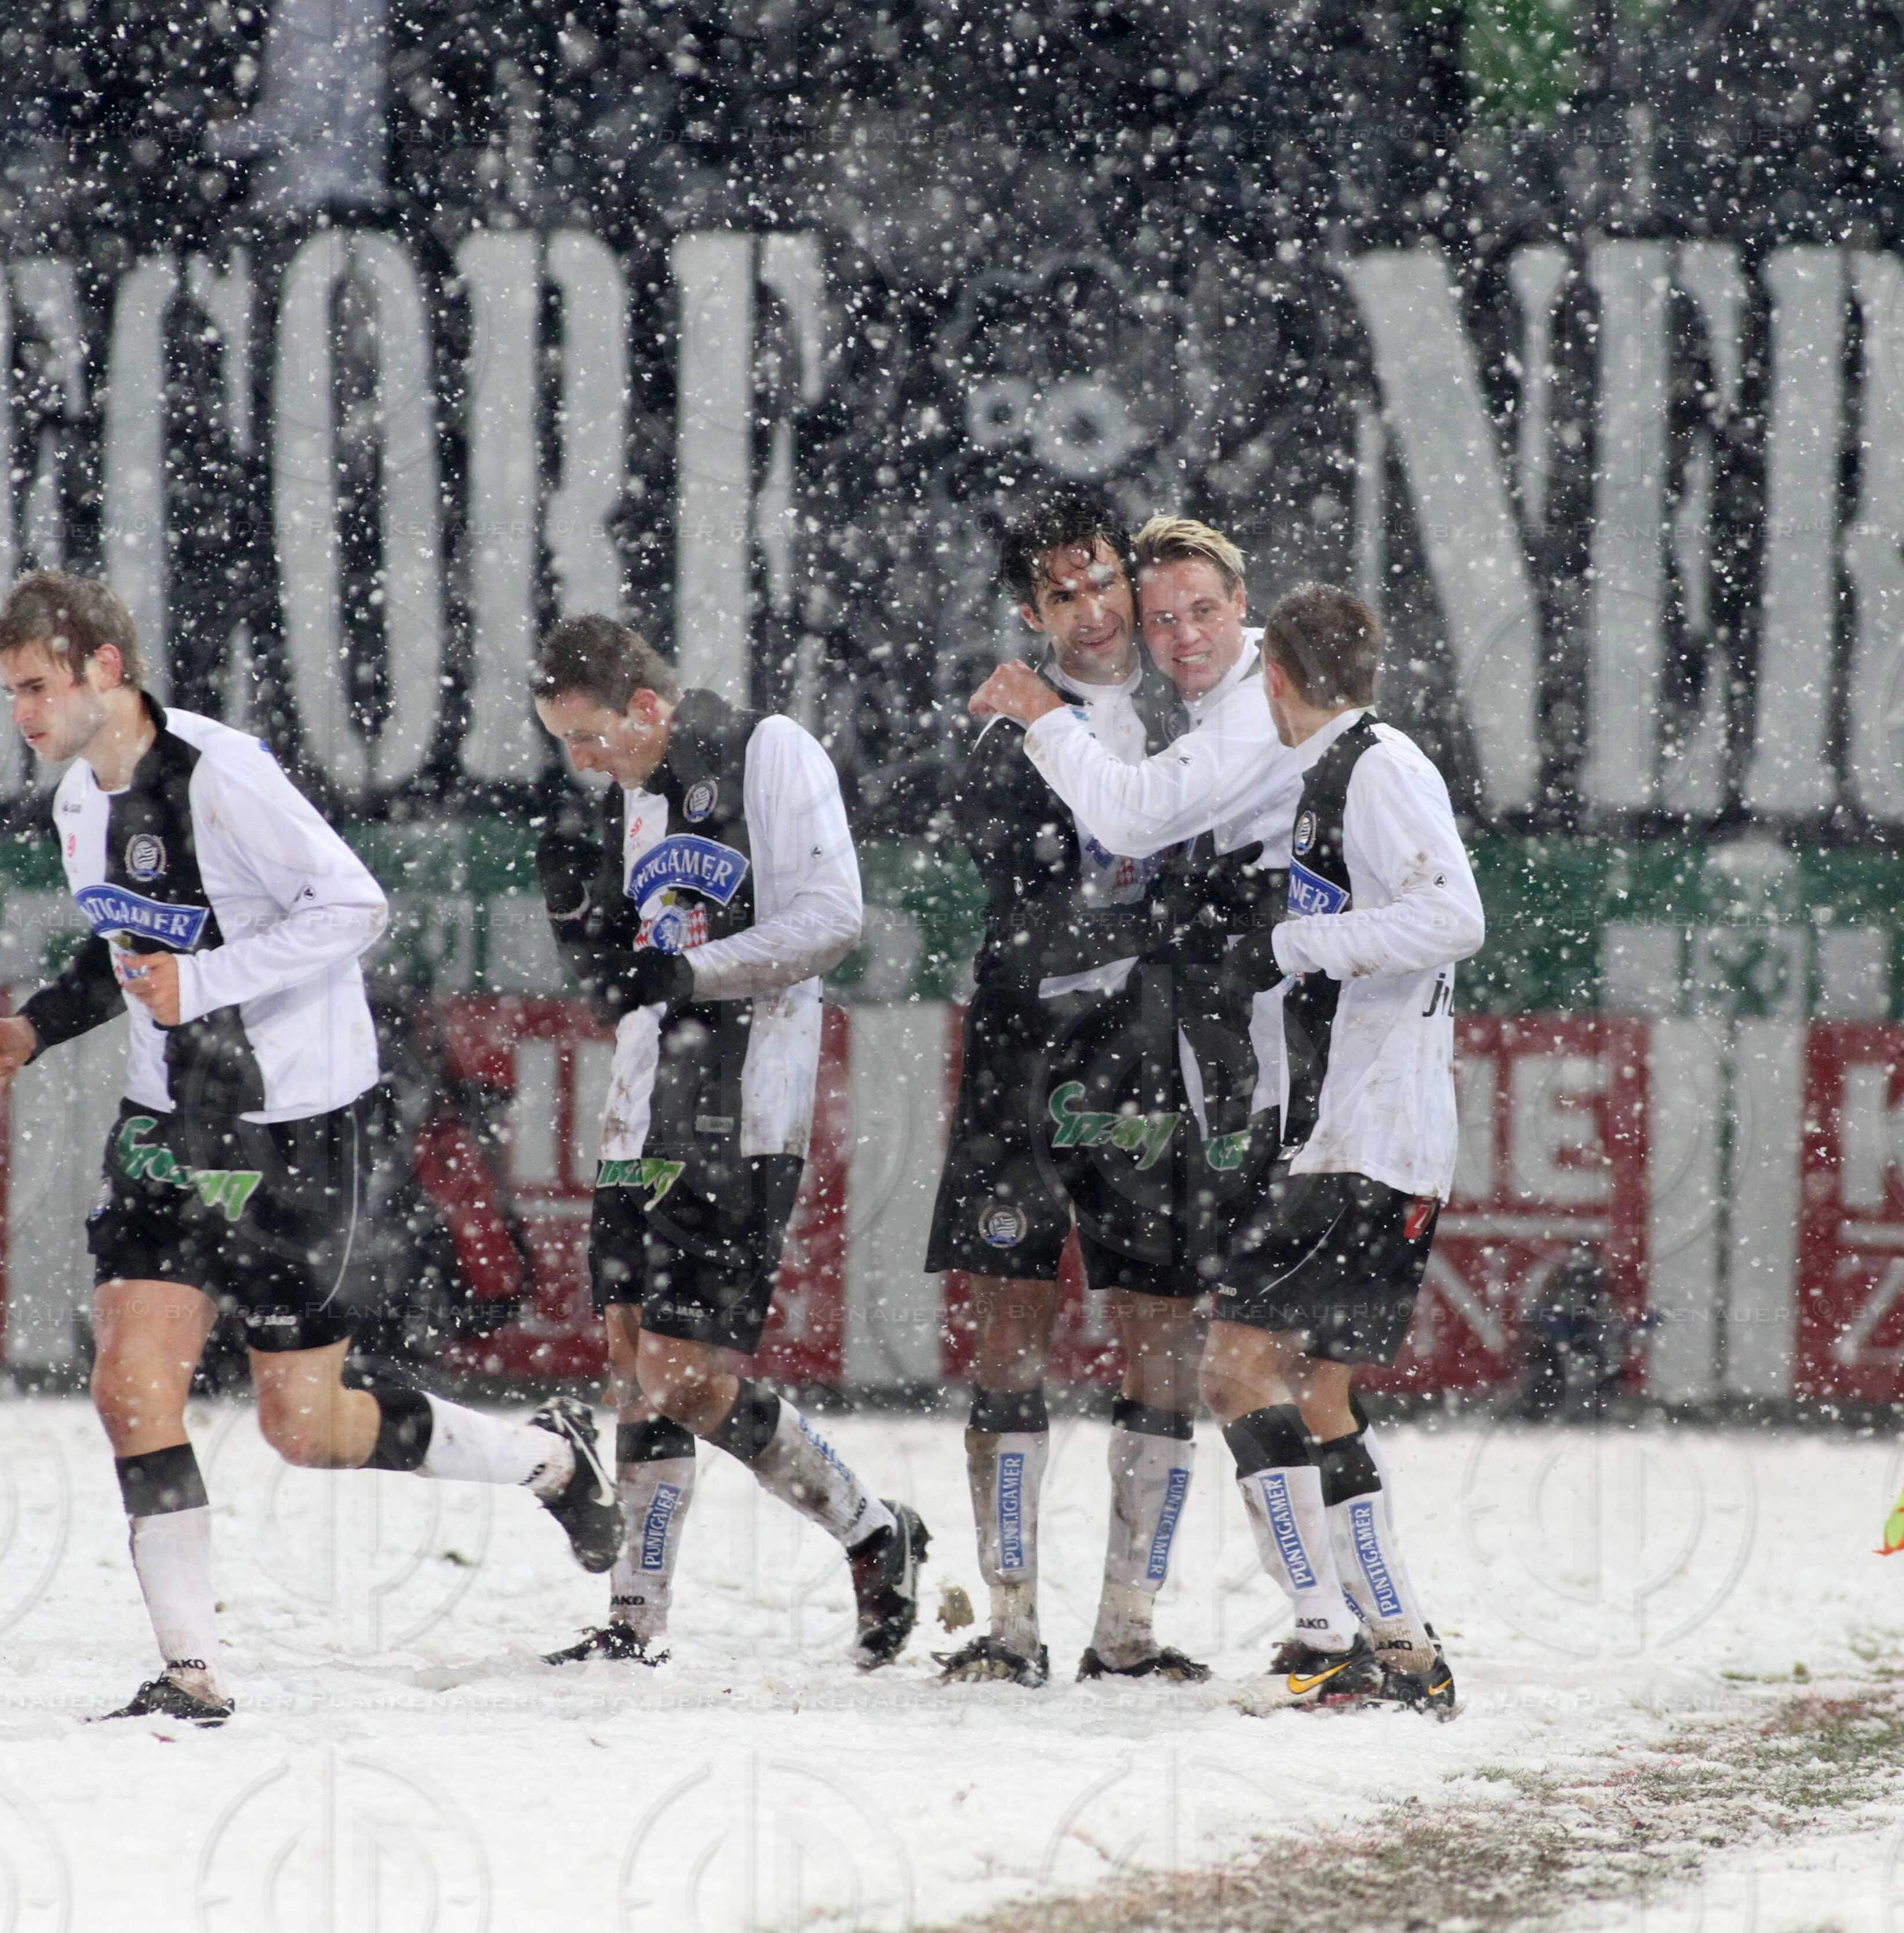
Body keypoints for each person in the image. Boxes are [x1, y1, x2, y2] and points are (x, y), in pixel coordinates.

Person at [0, 572, 617, 1727]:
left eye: (36, 686)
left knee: (305, 1427)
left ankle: (546, 1459)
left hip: (300, 1127)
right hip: (170, 1122)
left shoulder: (224, 779)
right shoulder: (80, 804)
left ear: (105, 671)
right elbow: (127, 959)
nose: (20, 711)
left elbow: (355, 907)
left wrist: (206, 981)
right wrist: (35, 1026)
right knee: (130, 1381)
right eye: (9, 688)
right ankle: (189, 1670)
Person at [530, 615, 927, 1670]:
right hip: (642, 1105)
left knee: (677, 1373)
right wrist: (591, 937)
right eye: (561, 744)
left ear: (647, 707)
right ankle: (634, 1620)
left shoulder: (768, 750)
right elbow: (636, 977)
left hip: (742, 1105)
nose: (580, 764)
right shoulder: (630, 801)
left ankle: (872, 1528)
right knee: (628, 1359)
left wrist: (686, 977)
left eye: (588, 739)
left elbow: (834, 918)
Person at [1168, 584, 1478, 1715]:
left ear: (1279, 680)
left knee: (1235, 1369)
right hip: (1365, 1134)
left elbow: (1455, 915)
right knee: (1315, 1392)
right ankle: (1397, 1648)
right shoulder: (1341, 776)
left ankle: (1322, 1635)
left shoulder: (1376, 767)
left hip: (1365, 1137)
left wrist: (1297, 938)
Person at [923, 491, 1210, 1687]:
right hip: (1026, 1057)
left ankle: (1128, 1632)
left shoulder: (1205, 721)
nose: (1091, 612)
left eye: (1103, 585)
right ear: (1031, 612)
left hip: (1147, 1051)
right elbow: (1033, 896)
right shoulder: (1003, 731)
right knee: (1007, 1333)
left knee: (1163, 1334)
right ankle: (1008, 1624)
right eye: (1064, 593)